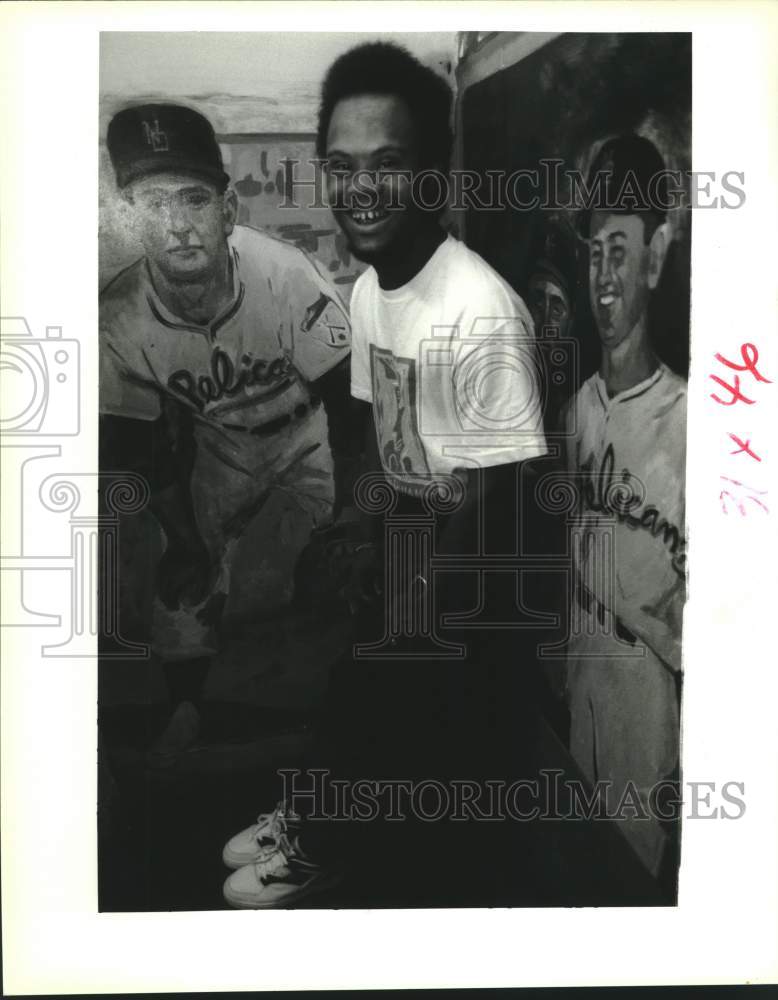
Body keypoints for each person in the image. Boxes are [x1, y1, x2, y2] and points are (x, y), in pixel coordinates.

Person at [221, 42, 548, 908]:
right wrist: (364, 537)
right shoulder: (370, 289)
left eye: (387, 165)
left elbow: (497, 502)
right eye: (341, 167)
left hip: (477, 580)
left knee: (390, 712)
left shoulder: (477, 311)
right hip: (416, 546)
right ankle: (322, 818)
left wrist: (415, 609)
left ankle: (329, 844)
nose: (361, 189)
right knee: (354, 686)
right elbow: (378, 436)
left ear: (432, 173)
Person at [99, 103, 356, 752]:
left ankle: (323, 719)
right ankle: (192, 713)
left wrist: (356, 509)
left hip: (309, 437)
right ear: (128, 215)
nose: (178, 225)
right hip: (222, 451)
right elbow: (136, 449)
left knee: (318, 572)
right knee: (178, 589)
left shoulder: (283, 274)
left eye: (193, 199)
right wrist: (185, 539)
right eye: (154, 204)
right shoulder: (121, 317)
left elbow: (353, 404)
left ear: (228, 210)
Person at [562, 133, 686, 879]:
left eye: (621, 249)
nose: (604, 279)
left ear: (657, 254)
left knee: (639, 872)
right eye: (593, 253)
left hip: (650, 685)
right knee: (580, 862)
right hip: (585, 661)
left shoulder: (695, 419)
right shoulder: (581, 407)